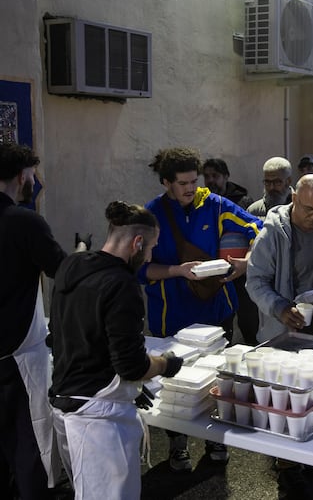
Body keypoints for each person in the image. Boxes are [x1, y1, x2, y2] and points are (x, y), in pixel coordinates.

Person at [48, 201, 184, 500]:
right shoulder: (122, 285)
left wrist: (132, 389)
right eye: (150, 248)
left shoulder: (71, 265)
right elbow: (132, 366)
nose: (149, 256)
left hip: (65, 404)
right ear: (137, 243)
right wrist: (165, 364)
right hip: (98, 421)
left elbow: (64, 336)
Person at [138, 147, 262, 471]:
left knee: (217, 378)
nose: (191, 188)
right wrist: (177, 271)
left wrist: (246, 263)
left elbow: (261, 229)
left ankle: (215, 439)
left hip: (216, 312)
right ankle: (178, 443)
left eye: (194, 181)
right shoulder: (151, 215)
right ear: (166, 182)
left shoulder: (217, 206)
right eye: (183, 183)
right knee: (173, 384)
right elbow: (140, 270)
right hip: (171, 317)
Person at [0, 142, 67, 499]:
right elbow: (63, 270)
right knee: (29, 448)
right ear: (21, 176)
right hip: (16, 357)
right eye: (32, 175)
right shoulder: (23, 221)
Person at [247, 174, 313, 342]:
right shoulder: (272, 234)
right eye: (309, 209)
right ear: (294, 198)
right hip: (283, 334)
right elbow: (255, 282)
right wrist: (280, 308)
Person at [203, 157, 258, 345]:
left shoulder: (241, 202)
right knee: (222, 321)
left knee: (248, 317)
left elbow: (253, 231)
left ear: (226, 177)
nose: (210, 181)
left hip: (240, 270)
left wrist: (246, 261)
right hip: (215, 273)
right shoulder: (203, 205)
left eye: (215, 176)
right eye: (207, 176)